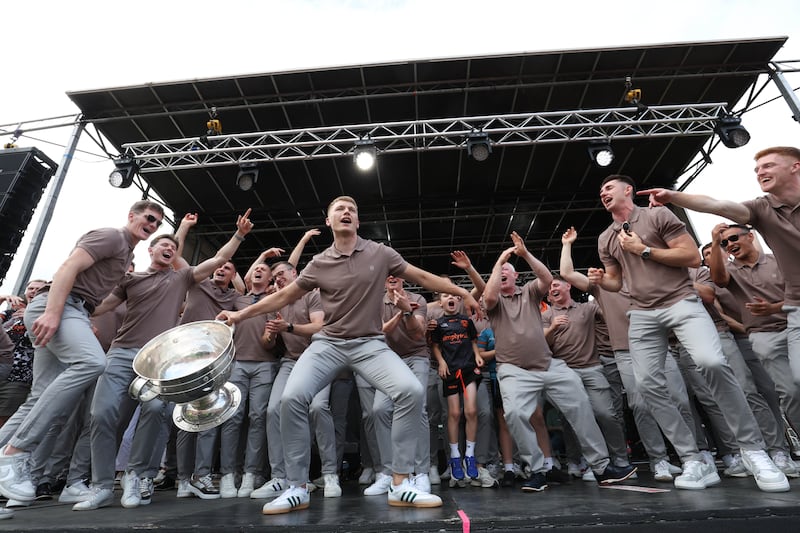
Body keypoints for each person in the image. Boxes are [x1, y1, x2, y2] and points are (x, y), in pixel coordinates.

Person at [217, 195, 481, 515]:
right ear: (329, 222)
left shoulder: (380, 253)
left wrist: (462, 290)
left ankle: (400, 483)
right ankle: (297, 487)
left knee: (410, 391)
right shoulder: (319, 263)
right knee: (292, 398)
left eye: (352, 210)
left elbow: (421, 277)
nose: (346, 212)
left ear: (357, 221)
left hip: (369, 344)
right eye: (339, 209)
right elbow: (284, 295)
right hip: (327, 343)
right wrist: (239, 316)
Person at [590, 174, 787, 492]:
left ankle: (753, 450)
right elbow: (616, 281)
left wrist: (644, 250)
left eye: (608, 187)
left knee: (711, 363)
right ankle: (693, 458)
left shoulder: (657, 215)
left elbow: (691, 257)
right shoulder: (605, 238)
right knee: (646, 385)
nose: (603, 192)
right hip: (642, 312)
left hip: (681, 301)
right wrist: (602, 279)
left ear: (629, 190)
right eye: (601, 190)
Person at [71, 209, 253, 511]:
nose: (168, 248)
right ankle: (101, 485)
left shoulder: (182, 278)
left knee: (156, 410)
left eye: (173, 246)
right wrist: (69, 313)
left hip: (158, 362)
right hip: (120, 354)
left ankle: (136, 475)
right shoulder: (130, 279)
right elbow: (99, 307)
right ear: (151, 250)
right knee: (102, 415)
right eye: (162, 244)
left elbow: (218, 260)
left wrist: (239, 235)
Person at [0, 200, 164, 504]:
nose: (152, 225)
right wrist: (53, 312)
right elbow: (69, 267)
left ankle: (3, 460)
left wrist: (81, 319)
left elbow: (97, 300)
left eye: (157, 223)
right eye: (149, 218)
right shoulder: (112, 236)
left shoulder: (127, 252)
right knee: (92, 362)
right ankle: (16, 453)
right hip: (59, 306)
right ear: (132, 215)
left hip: (74, 310)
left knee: (38, 396)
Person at [639, 146, 800, 408]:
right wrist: (674, 196)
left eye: (768, 166)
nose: (760, 172)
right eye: (757, 169)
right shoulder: (761, 209)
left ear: (795, 166)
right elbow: (716, 205)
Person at [483, 231, 636, 493]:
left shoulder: (529, 293)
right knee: (516, 415)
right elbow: (487, 297)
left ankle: (601, 467)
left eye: (509, 269)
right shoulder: (494, 302)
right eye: (500, 271)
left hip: (549, 365)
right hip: (514, 371)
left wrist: (524, 254)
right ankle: (538, 470)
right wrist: (500, 261)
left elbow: (545, 278)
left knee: (580, 406)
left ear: (517, 276)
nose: (504, 271)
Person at [431, 291, 483, 488]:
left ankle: (469, 454)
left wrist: (477, 355)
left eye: (453, 296)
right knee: (454, 413)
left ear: (459, 300)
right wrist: (441, 362)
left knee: (471, 411)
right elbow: (435, 347)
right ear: (441, 302)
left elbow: (473, 341)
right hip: (450, 372)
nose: (450, 299)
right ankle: (455, 457)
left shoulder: (466, 321)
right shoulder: (438, 323)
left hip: (469, 369)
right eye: (445, 296)